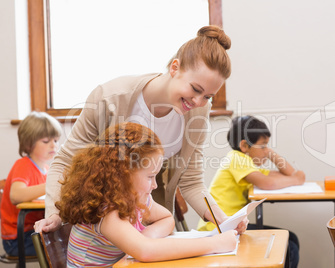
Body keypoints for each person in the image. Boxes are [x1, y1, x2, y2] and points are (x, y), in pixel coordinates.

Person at [35, 25, 247, 235]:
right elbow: (64, 161)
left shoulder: (199, 113)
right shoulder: (109, 98)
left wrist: (223, 219)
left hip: (149, 224)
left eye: (208, 96)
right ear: (175, 68)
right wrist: (54, 214)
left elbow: (191, 182)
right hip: (102, 224)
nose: (198, 101)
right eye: (195, 89)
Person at [56, 122, 237, 267]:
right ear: (123, 174)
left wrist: (146, 236)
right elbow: (146, 252)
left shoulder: (136, 198)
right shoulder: (107, 211)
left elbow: (167, 218)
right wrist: (215, 244)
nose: (155, 185)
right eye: (150, 176)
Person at [197, 115, 306, 268]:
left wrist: (270, 153)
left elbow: (284, 174)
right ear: (244, 146)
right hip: (218, 227)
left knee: (291, 239)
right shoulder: (237, 159)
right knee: (289, 247)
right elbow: (268, 183)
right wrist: (296, 179)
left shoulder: (246, 162)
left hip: (232, 225)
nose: (266, 151)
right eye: (263, 146)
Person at [0, 111, 61, 256]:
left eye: (56, 140)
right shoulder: (23, 165)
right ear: (28, 145)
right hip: (18, 239)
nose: (53, 145)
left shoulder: (46, 169)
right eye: (46, 141)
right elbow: (16, 195)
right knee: (65, 247)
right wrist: (51, 185)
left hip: (33, 231)